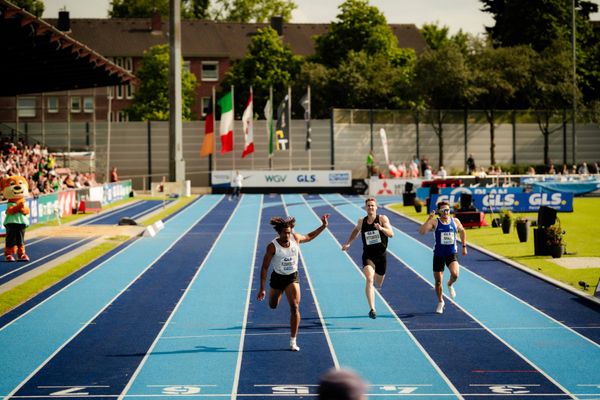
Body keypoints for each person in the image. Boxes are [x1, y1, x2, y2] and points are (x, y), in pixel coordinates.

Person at [257, 214, 330, 351]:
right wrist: (262, 288)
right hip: (277, 278)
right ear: (279, 232)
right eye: (285, 233)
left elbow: (309, 236)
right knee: (273, 305)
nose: (287, 235)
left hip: (292, 277)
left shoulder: (295, 239)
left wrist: (324, 226)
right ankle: (279, 293)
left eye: (289, 232)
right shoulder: (272, 246)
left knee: (295, 306)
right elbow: (265, 267)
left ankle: (293, 341)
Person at [341, 197, 394, 319]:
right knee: (369, 279)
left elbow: (392, 234)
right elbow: (355, 230)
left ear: (376, 207)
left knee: (378, 282)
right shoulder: (362, 221)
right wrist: (348, 243)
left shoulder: (382, 219)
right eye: (368, 205)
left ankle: (377, 276)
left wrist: (381, 228)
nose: (370, 207)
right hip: (368, 255)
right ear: (365, 208)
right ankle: (372, 309)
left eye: (372, 205)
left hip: (381, 256)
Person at [418, 201, 467, 314]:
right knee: (438, 282)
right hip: (439, 255)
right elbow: (422, 232)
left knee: (455, 274)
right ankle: (441, 301)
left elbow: (463, 231)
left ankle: (450, 284)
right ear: (439, 211)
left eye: (448, 210)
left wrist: (464, 246)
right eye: (444, 210)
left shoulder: (455, 221)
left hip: (451, 253)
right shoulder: (435, 222)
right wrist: (429, 218)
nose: (446, 212)